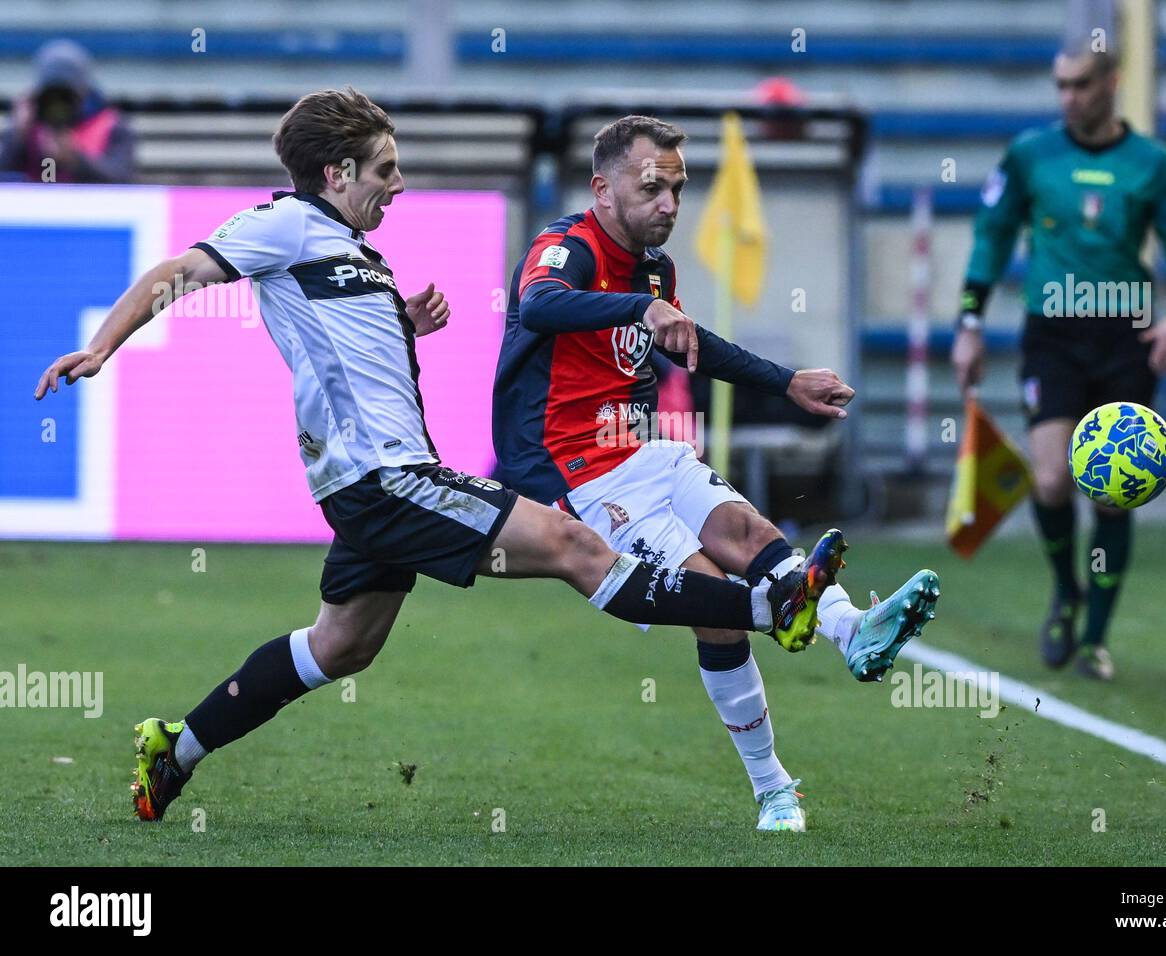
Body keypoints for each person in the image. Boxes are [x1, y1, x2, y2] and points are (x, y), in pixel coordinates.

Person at [32, 88, 846, 824]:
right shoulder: (285, 223)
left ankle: (174, 750)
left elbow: (344, 353)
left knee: (339, 645)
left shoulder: (357, 256)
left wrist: (403, 322)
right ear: (336, 171)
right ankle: (772, 609)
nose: (397, 184)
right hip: (385, 478)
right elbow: (179, 270)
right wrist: (102, 347)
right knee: (577, 548)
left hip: (373, 481)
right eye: (386, 169)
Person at [492, 115, 941, 832]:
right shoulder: (565, 248)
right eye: (652, 187)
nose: (670, 203)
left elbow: (691, 346)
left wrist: (786, 382)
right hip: (578, 473)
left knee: (748, 529)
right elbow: (539, 305)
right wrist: (644, 305)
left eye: (677, 187)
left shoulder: (655, 270)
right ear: (602, 189)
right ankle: (773, 787)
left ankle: (849, 629)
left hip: (644, 451)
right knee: (712, 604)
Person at [951, 49, 1166, 680]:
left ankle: (1095, 637)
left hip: (1127, 338)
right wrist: (970, 321)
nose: (1068, 97)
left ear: (1112, 83)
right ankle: (1067, 590)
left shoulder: (1153, 164)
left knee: (1116, 494)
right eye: (1060, 85)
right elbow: (992, 233)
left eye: (1081, 85)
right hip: (1054, 337)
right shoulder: (1030, 155)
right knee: (1050, 480)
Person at [0, 39, 135, 183]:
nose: (58, 105)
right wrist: (17, 136)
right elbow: (10, 173)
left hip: (90, 204)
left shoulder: (112, 126)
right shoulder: (28, 124)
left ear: (84, 91)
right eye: (51, 95)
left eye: (66, 96)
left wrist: (75, 159)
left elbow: (122, 183)